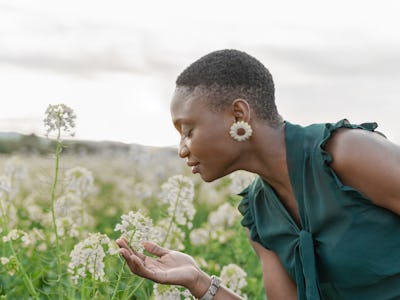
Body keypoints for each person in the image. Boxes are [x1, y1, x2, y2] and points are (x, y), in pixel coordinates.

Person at [117, 49, 400, 300]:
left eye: (188, 131)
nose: (182, 150)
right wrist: (198, 281)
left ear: (239, 115)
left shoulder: (347, 153)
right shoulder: (260, 216)